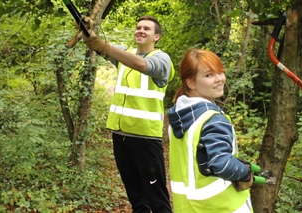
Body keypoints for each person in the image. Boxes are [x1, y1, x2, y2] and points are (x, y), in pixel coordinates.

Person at [82, 15, 174, 213]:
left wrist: (105, 46)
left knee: (157, 200)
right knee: (136, 197)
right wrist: (87, 31)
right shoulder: (126, 54)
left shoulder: (162, 59)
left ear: (156, 37)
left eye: (147, 29)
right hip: (121, 136)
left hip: (146, 139)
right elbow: (99, 46)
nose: (140, 30)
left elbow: (141, 65)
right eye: (138, 27)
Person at [167, 49, 254, 213]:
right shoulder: (212, 119)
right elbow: (222, 164)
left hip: (187, 207)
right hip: (223, 207)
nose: (219, 79)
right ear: (191, 83)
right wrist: (245, 172)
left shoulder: (179, 117)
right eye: (209, 75)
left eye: (220, 72)